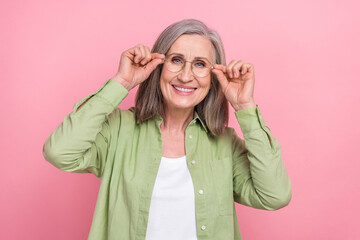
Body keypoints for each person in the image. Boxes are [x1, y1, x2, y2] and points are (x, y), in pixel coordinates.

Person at [43, 19, 291, 240]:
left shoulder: (225, 143)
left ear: (213, 76)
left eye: (200, 65)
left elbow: (275, 195)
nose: (185, 76)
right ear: (158, 65)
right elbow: (59, 152)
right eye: (176, 60)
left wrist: (244, 107)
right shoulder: (118, 130)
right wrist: (121, 82)